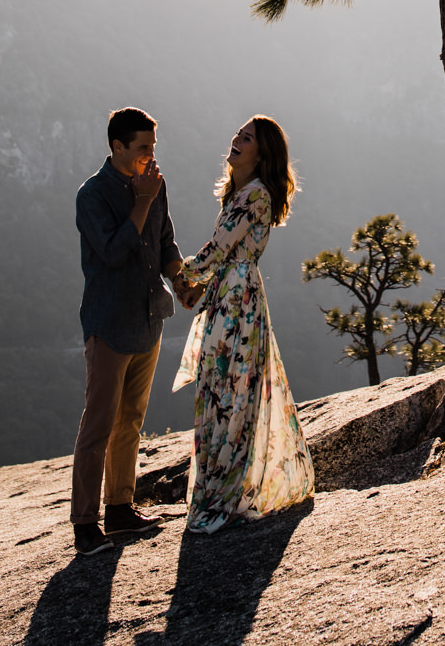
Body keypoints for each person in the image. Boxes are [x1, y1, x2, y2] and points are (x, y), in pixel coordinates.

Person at [174, 114, 314, 533]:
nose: (236, 138)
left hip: (236, 301)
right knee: (225, 390)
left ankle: (223, 492)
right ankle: (222, 488)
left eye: (247, 137)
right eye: (239, 132)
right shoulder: (244, 193)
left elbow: (215, 252)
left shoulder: (254, 196)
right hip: (234, 295)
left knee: (226, 392)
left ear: (261, 153)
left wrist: (175, 271)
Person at [71, 106, 199, 557]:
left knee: (131, 420)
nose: (150, 155)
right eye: (143, 148)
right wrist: (142, 200)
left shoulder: (154, 184)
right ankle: (85, 523)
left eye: (153, 147)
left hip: (148, 318)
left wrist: (180, 282)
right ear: (117, 147)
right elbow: (111, 252)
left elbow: (166, 241)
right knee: (99, 423)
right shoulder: (93, 195)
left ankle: (120, 508)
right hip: (108, 323)